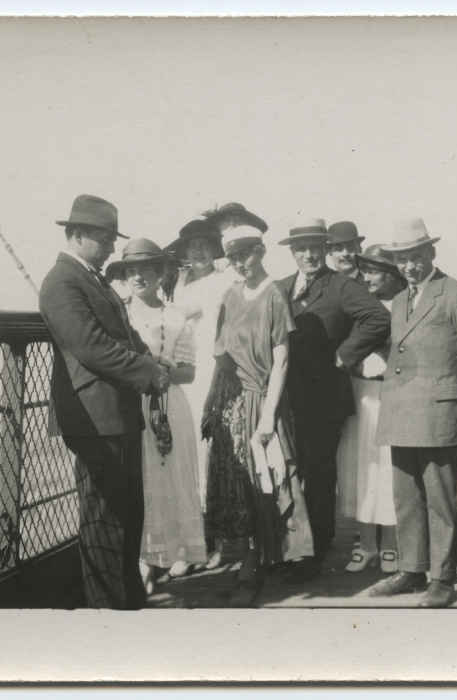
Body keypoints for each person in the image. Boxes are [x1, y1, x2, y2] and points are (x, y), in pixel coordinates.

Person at [38, 194, 168, 610]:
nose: (112, 247)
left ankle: (130, 604)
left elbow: (124, 335)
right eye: (105, 239)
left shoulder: (89, 279)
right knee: (104, 521)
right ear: (77, 235)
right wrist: (147, 372)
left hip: (117, 414)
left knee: (127, 515)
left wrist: (149, 360)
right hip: (94, 418)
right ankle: (107, 614)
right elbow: (91, 347)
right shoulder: (62, 281)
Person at [369, 218, 457, 608]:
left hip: (440, 415)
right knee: (406, 498)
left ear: (432, 253)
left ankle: (441, 577)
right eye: (401, 259)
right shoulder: (398, 301)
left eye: (416, 257)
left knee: (441, 502)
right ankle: (411, 569)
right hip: (401, 412)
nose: (409, 266)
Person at [275, 218, 392, 583]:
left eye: (316, 247)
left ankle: (314, 553)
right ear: (292, 252)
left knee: (318, 476)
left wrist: (343, 357)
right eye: (302, 248)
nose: (309, 254)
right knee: (286, 473)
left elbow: (378, 317)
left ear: (325, 250)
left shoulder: (341, 285)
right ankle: (286, 546)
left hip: (324, 399)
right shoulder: (279, 288)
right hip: (283, 399)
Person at [202, 225, 314, 603]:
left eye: (246, 254)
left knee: (259, 483)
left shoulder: (275, 295)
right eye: (233, 257)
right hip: (228, 400)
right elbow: (221, 358)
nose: (240, 263)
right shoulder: (230, 294)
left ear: (261, 251)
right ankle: (249, 559)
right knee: (233, 483)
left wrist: (268, 417)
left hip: (259, 401)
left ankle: (253, 567)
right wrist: (209, 404)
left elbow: (281, 362)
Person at [105, 239, 208, 590]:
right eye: (131, 270)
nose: (138, 276)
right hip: (129, 404)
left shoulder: (175, 317)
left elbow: (189, 372)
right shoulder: (117, 314)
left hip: (167, 406)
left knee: (167, 477)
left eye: (146, 268)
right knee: (138, 478)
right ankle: (141, 560)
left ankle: (173, 552)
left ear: (161, 272)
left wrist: (165, 369)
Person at [337, 244, 407, 574]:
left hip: (392, 395)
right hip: (361, 395)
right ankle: (366, 545)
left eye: (373, 272)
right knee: (363, 468)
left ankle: (391, 545)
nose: (366, 277)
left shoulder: (407, 304)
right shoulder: (358, 305)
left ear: (391, 275)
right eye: (364, 271)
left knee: (389, 468)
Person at [162, 221, 238, 503]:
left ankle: (204, 503)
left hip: (208, 364)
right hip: (180, 363)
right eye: (192, 246)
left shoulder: (223, 281)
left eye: (204, 245)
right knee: (178, 428)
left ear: (214, 249)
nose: (198, 251)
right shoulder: (178, 279)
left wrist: (166, 312)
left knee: (201, 429)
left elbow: (179, 314)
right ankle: (181, 498)